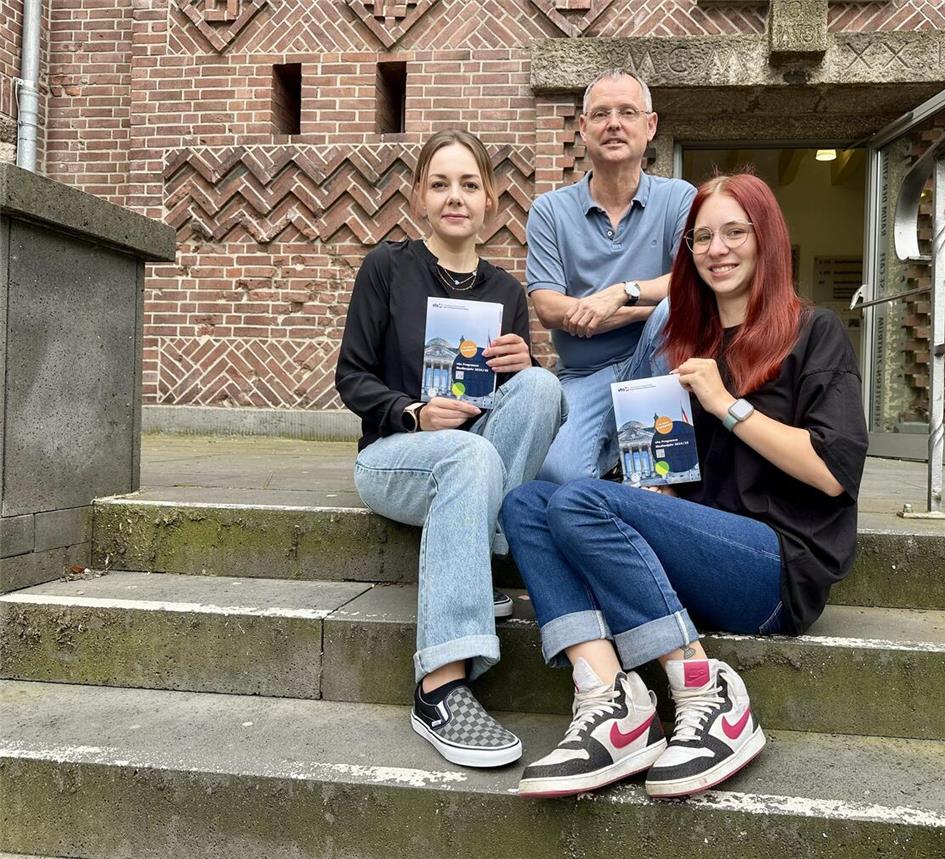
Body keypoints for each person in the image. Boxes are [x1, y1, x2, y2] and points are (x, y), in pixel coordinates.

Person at [502, 172, 869, 798]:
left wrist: (728, 404)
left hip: (776, 566)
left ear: (767, 240)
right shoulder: (683, 347)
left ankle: (704, 687)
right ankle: (611, 698)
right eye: (703, 237)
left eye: (735, 232)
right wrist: (662, 494)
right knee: (527, 502)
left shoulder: (814, 332)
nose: (718, 249)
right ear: (688, 252)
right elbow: (678, 476)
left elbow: (833, 474)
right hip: (698, 549)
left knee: (580, 496)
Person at [335, 129, 565, 768]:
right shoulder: (387, 267)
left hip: (475, 457)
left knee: (545, 386)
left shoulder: (508, 293)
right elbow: (351, 376)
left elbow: (512, 408)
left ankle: (482, 560)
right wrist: (412, 411)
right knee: (467, 454)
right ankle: (439, 684)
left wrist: (521, 366)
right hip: (396, 454)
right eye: (441, 184)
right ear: (418, 197)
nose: (455, 197)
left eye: (469, 185)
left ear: (490, 201)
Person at [526, 69, 697, 484]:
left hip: (659, 363)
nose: (614, 124)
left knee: (674, 308)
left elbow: (691, 285)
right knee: (558, 474)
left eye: (627, 112)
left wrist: (622, 294)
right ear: (583, 128)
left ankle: (650, 469)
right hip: (584, 375)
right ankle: (623, 454)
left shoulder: (680, 198)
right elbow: (548, 307)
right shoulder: (549, 210)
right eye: (601, 114)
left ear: (650, 125)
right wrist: (643, 308)